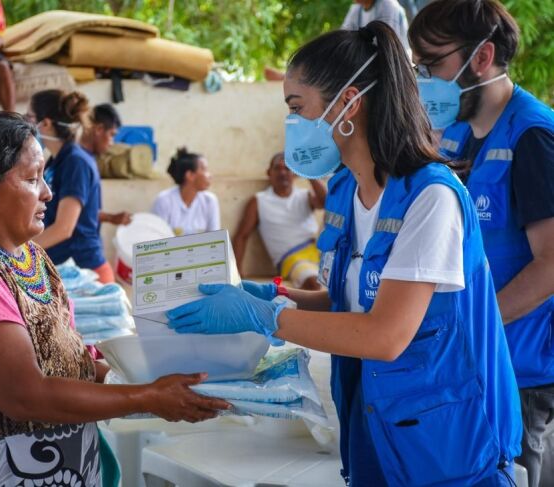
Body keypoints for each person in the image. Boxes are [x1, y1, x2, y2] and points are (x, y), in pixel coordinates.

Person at [166, 21, 522, 486]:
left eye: (297, 108)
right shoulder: (347, 192)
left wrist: (265, 318)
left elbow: (385, 335)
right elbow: (351, 301)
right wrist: (276, 296)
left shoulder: (431, 198)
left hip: (451, 445)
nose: (291, 125)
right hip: (373, 427)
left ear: (348, 103)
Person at [0, 111, 229, 485]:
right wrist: (146, 397)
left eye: (45, 176)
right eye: (31, 179)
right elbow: (25, 394)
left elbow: (66, 364)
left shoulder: (29, 255)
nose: (47, 193)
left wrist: (151, 376)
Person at [409, 2, 554, 485]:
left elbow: (551, 263)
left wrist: (478, 322)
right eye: (419, 68)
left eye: (432, 65)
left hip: (522, 374)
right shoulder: (454, 135)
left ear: (482, 56)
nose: (425, 80)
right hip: (468, 364)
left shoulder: (532, 136)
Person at [28, 90, 129, 283]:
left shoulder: (75, 162)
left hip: (85, 273)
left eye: (30, 117)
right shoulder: (56, 160)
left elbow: (64, 228)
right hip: (63, 267)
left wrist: (15, 251)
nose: (27, 124)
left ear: (46, 123)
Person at [233, 153, 326, 290]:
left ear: (294, 173)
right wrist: (237, 271)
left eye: (287, 168)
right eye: (277, 168)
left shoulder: (304, 195)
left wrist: (309, 174)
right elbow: (241, 236)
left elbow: (327, 203)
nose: (282, 172)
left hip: (318, 251)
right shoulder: (259, 201)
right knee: (314, 283)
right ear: (269, 173)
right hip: (291, 259)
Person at [152, 147, 220, 236]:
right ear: (190, 175)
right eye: (204, 169)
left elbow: (214, 239)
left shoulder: (209, 200)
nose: (209, 175)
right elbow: (157, 239)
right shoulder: (164, 200)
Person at [342, 0, 410, 53]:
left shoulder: (388, 5)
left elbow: (388, 45)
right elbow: (344, 36)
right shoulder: (356, 9)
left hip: (397, 62)